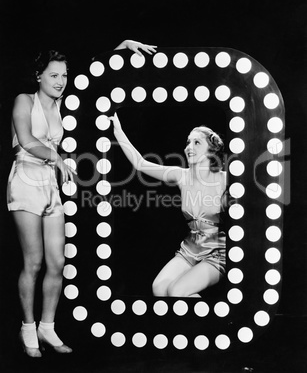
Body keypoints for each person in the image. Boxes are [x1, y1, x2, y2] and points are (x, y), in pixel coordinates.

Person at [7, 40, 157, 358]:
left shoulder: (64, 104)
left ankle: (48, 327)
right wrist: (58, 158)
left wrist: (120, 48)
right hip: (25, 182)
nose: (61, 81)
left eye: (64, 75)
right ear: (38, 76)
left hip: (50, 187)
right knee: (33, 262)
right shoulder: (24, 100)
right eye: (53, 75)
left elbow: (96, 80)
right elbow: (26, 139)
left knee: (57, 263)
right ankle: (27, 328)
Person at [108, 113, 227, 298]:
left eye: (197, 143)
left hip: (217, 252)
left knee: (177, 291)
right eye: (188, 142)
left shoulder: (225, 179)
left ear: (211, 150)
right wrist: (118, 131)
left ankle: (208, 327)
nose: (189, 147)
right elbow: (140, 164)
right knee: (160, 288)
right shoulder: (181, 175)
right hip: (191, 248)